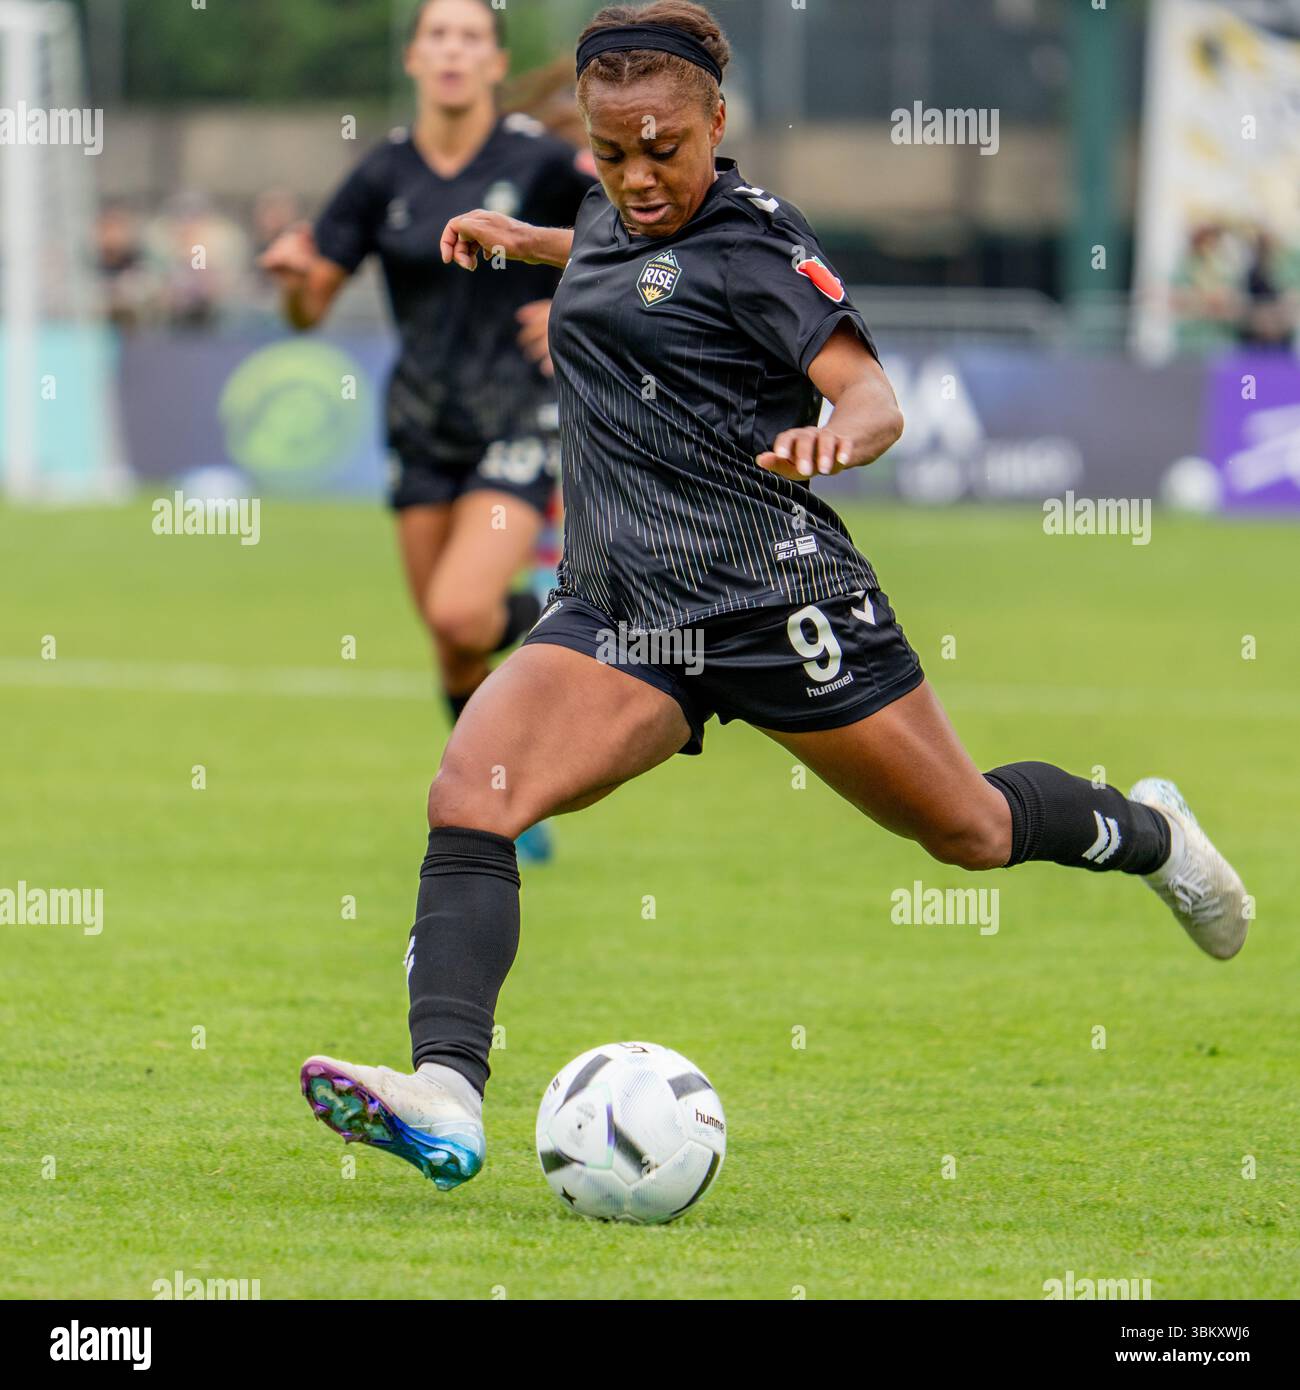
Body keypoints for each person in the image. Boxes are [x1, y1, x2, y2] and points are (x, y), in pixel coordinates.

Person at [300, 0, 1251, 1193]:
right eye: (611, 153)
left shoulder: (756, 243)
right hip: (624, 612)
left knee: (969, 829)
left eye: (663, 149)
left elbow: (869, 394)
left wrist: (835, 441)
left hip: (776, 605)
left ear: (717, 121)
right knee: (471, 791)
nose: (638, 178)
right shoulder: (605, 206)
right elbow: (615, 250)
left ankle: (1154, 833)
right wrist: (519, 235)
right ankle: (445, 1091)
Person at [260, 0, 595, 867]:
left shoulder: (542, 160)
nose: (451, 51)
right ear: (414, 58)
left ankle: (577, 622)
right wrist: (295, 279)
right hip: (419, 422)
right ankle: (507, 799)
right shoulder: (383, 175)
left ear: (492, 60)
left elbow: (640, 245)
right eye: (436, 36)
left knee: (458, 608)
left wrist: (566, 304)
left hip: (516, 415)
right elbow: (309, 309)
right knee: (452, 644)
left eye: (469, 37)